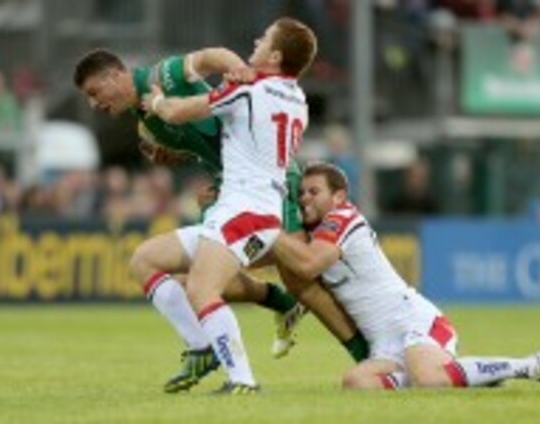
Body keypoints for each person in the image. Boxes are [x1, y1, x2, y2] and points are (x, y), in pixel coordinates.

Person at [74, 38, 368, 393]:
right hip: (230, 189)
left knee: (298, 276)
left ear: (115, 76)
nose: (94, 104)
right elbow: (206, 144)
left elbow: (211, 56)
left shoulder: (161, 77)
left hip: (265, 183)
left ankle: (363, 353)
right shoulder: (145, 126)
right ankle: (257, 318)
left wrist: (238, 70)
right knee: (197, 280)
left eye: (94, 92)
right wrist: (177, 159)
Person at [272, 162, 540, 390]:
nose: (305, 198)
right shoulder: (315, 236)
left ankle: (532, 365)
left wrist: (264, 229)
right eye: (301, 193)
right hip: (383, 344)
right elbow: (288, 258)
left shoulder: (342, 218)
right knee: (356, 383)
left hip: (414, 321)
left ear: (339, 196)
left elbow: (307, 265)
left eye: (314, 192)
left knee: (428, 379)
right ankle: (473, 376)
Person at [141, 16, 325, 394]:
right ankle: (203, 346)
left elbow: (177, 113)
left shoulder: (250, 90)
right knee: (145, 260)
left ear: (275, 55)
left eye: (264, 39)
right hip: (250, 207)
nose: (256, 41)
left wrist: (156, 101)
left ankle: (242, 380)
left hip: (246, 210)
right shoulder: (298, 98)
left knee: (201, 289)